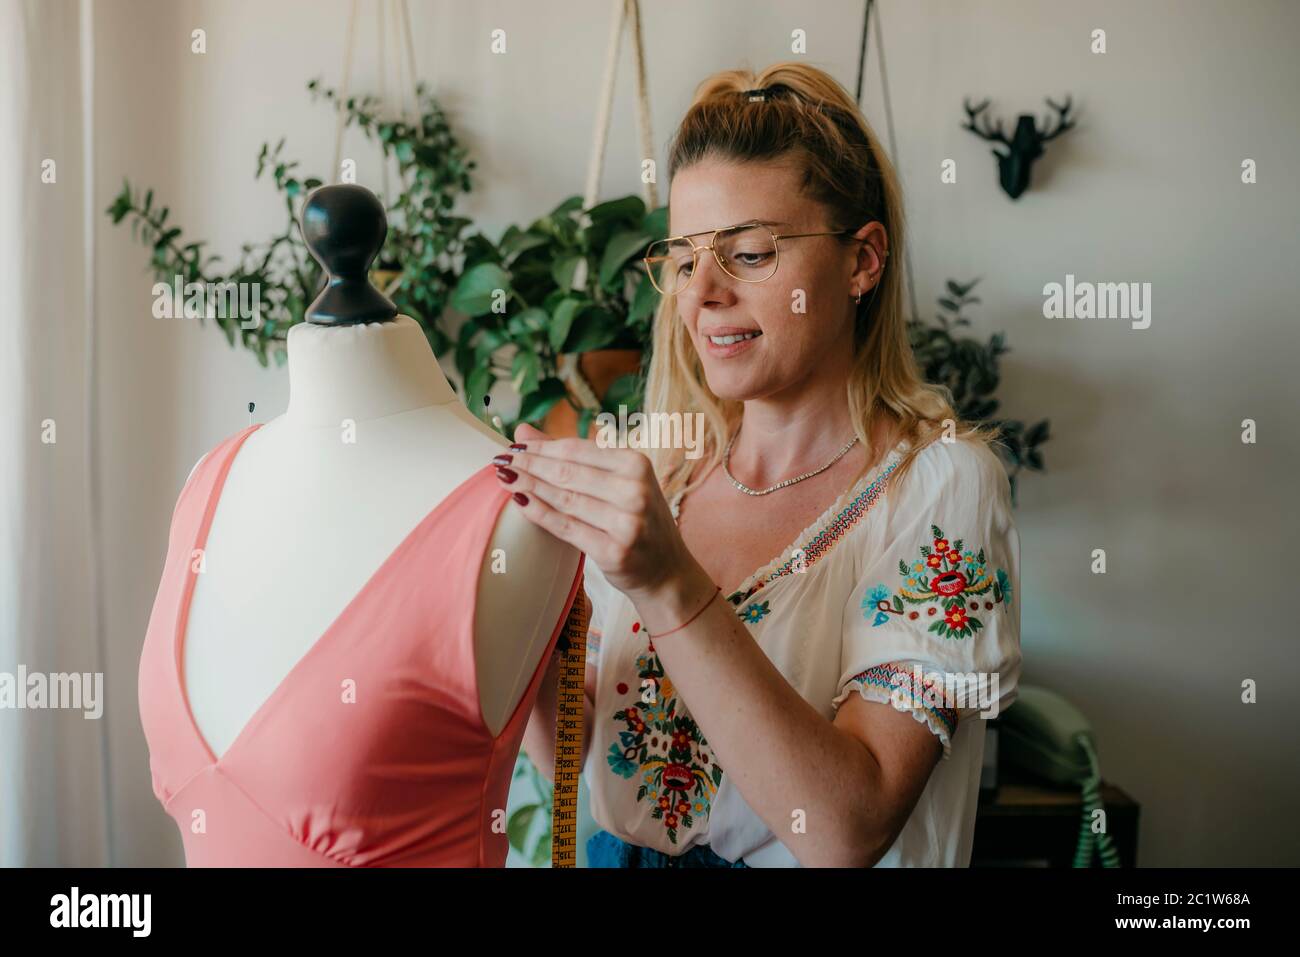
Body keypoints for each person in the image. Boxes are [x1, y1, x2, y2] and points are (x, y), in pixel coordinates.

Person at [511, 62, 1022, 868]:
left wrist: (668, 581)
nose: (702, 292)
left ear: (863, 261)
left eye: (748, 253)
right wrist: (512, 599)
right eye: (683, 258)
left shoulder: (942, 485)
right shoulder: (661, 471)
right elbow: (585, 762)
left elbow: (848, 827)